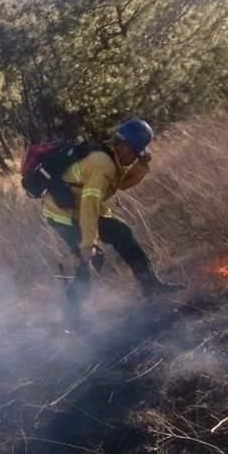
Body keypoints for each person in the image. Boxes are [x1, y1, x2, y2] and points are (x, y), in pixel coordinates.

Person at [41, 118, 180, 313]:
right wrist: (88, 243)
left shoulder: (112, 158)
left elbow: (121, 183)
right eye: (135, 153)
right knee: (92, 257)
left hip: (78, 208)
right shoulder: (102, 163)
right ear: (123, 146)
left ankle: (150, 286)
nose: (134, 158)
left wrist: (141, 166)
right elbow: (89, 203)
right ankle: (74, 314)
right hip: (62, 214)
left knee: (121, 233)